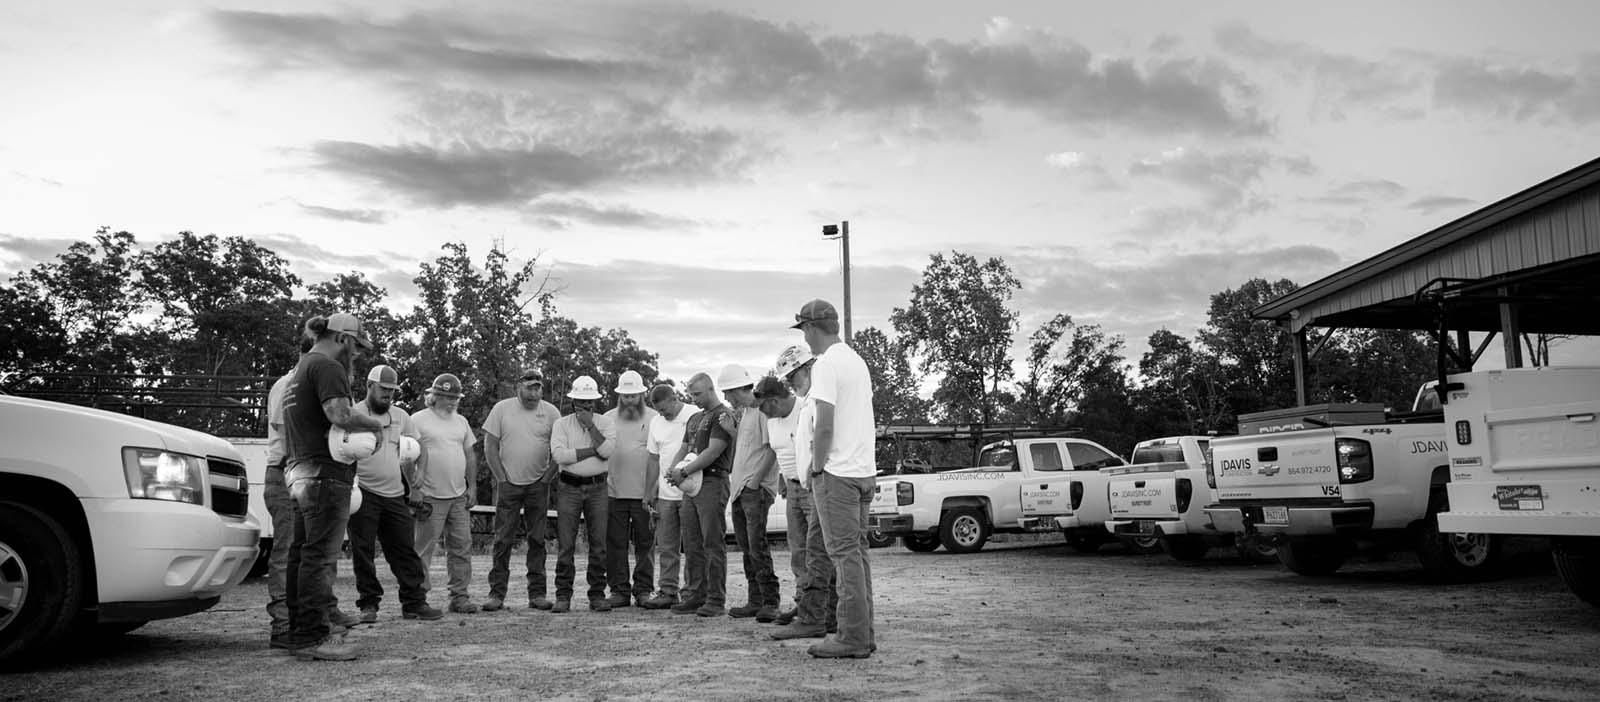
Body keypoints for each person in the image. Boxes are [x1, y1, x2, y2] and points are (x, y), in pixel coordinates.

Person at [281, 313, 385, 661]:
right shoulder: (328, 367)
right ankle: (313, 636)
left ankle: (296, 632)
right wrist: (374, 426)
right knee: (319, 556)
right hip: (325, 473)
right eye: (356, 347)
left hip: (300, 470)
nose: (356, 355)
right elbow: (340, 415)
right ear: (342, 338)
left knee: (302, 553)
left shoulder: (300, 370)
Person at [791, 298, 877, 658]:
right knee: (857, 555)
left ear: (812, 328)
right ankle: (862, 633)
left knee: (843, 557)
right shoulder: (856, 361)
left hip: (838, 474)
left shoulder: (826, 364)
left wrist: (816, 467)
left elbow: (824, 424)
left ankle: (851, 638)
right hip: (863, 472)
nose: (805, 340)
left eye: (804, 330)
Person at [346, 365, 443, 624]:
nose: (388, 395)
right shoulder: (352, 414)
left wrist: (418, 479)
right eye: (383, 389)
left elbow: (419, 446)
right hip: (363, 492)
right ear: (369, 386)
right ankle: (368, 605)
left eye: (392, 391)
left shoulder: (400, 416)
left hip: (395, 494)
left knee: (404, 549)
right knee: (363, 550)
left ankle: (414, 603)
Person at [757, 347, 837, 641]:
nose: (764, 414)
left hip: (811, 485)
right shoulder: (772, 419)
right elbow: (783, 451)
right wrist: (781, 476)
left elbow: (811, 444)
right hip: (792, 487)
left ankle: (826, 611)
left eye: (766, 407)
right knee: (798, 551)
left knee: (819, 551)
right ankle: (805, 605)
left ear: (776, 400)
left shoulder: (806, 406)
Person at [481, 368, 561, 613]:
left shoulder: (551, 412)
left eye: (538, 386)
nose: (534, 391)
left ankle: (537, 594)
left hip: (539, 484)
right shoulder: (501, 409)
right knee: (503, 539)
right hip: (509, 484)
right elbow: (490, 446)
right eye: (529, 386)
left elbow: (560, 448)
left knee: (537, 540)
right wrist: (501, 478)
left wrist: (548, 478)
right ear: (518, 387)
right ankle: (496, 594)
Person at [665, 372, 735, 617]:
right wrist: (673, 470)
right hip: (691, 484)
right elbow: (685, 448)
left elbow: (714, 451)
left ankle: (715, 599)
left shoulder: (723, 415)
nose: (694, 399)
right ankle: (695, 595)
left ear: (711, 389)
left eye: (698, 394)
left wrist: (683, 471)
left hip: (713, 480)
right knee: (692, 542)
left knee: (712, 541)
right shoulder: (695, 418)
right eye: (691, 394)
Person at [411, 372, 481, 614]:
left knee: (461, 546)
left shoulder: (461, 422)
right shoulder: (418, 420)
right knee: (423, 548)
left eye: (455, 398)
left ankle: (459, 597)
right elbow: (407, 455)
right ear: (434, 396)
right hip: (429, 495)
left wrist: (472, 486)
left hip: (458, 495)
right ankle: (417, 599)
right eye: (446, 397)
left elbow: (470, 455)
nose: (452, 402)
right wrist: (413, 488)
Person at [718, 364, 781, 622]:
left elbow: (771, 448)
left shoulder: (763, 412)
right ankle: (755, 601)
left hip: (755, 489)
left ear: (738, 389)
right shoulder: (745, 414)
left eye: (728, 392)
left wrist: (755, 482)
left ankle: (770, 601)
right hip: (741, 489)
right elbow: (747, 447)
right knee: (747, 547)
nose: (726, 399)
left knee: (757, 545)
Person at [549, 375, 616, 613]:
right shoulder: (561, 424)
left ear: (595, 402)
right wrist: (592, 451)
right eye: (581, 401)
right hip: (569, 487)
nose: (585, 406)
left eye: (589, 402)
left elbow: (607, 452)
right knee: (566, 545)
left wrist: (590, 426)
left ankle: (597, 595)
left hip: (598, 487)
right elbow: (560, 456)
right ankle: (563, 595)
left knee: (598, 544)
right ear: (573, 401)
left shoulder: (605, 423)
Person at [263, 337, 310, 650]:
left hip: (302, 474)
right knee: (287, 551)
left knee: (307, 551)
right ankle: (282, 626)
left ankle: (307, 619)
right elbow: (288, 432)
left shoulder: (305, 385)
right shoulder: (288, 385)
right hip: (284, 475)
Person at [602, 371, 658, 608]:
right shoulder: (607, 418)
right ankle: (619, 591)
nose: (629, 400)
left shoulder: (656, 418)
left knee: (645, 544)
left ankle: (643, 590)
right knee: (615, 544)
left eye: (634, 395)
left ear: (642, 394)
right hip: (614, 493)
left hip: (645, 494)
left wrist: (653, 490)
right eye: (625, 396)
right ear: (619, 396)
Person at [640, 383, 692, 609]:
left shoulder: (694, 414)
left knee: (693, 546)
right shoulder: (655, 422)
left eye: (665, 409)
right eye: (658, 411)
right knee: (667, 546)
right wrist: (649, 490)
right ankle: (668, 591)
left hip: (692, 490)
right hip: (666, 494)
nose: (663, 414)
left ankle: (693, 592)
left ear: (675, 398)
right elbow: (653, 458)